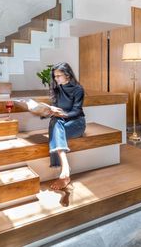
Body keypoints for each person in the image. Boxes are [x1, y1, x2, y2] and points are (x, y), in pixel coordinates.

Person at [48, 62, 86, 190]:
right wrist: (45, 111)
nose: (56, 78)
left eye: (59, 76)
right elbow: (56, 110)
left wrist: (62, 114)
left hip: (77, 123)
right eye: (55, 76)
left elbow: (76, 111)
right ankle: (65, 168)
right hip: (62, 122)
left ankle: (65, 169)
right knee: (54, 121)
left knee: (55, 126)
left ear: (68, 75)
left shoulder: (78, 89)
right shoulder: (57, 89)